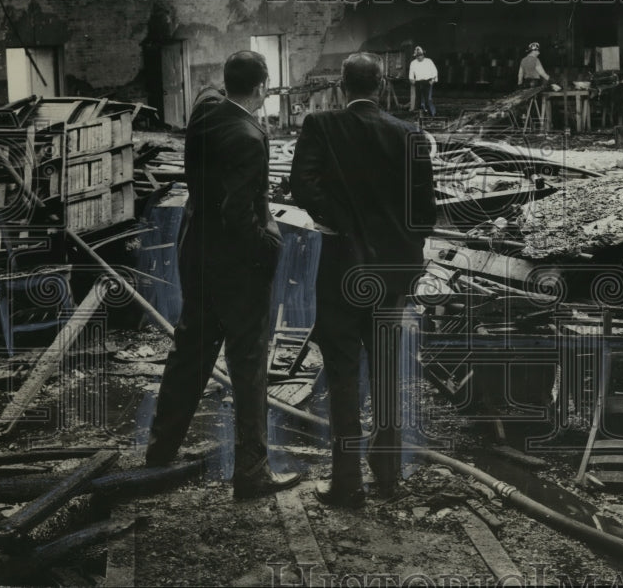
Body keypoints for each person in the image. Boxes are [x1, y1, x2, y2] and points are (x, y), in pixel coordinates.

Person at [145, 51, 303, 500]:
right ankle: (251, 473)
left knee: (190, 351)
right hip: (237, 268)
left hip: (197, 254)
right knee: (249, 363)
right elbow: (239, 213)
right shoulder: (247, 136)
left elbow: (215, 94)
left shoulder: (205, 110)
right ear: (261, 88)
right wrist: (269, 246)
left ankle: (159, 449)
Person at [290, 53, 437, 507]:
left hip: (341, 270)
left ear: (341, 85)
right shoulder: (409, 134)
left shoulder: (321, 125)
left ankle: (347, 481)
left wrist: (341, 222)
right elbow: (426, 215)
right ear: (382, 86)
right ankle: (389, 473)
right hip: (392, 275)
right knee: (388, 371)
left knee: (342, 373)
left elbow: (302, 185)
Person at [408, 45, 438, 116]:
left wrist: (433, 80)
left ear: (423, 55)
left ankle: (433, 114)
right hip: (418, 82)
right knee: (418, 100)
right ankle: (422, 114)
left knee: (428, 99)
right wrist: (412, 80)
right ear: (415, 56)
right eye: (417, 56)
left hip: (428, 81)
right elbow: (411, 74)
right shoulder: (413, 63)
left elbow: (435, 72)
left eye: (420, 55)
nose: (419, 57)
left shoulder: (429, 61)